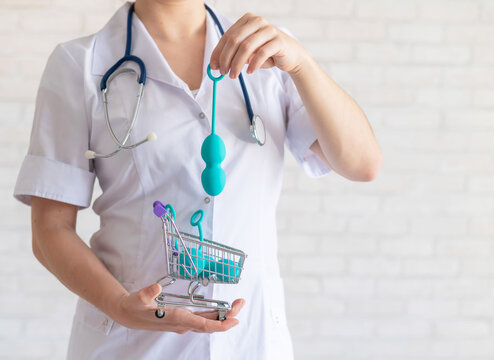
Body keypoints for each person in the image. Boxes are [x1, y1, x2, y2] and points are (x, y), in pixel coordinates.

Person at [13, 0, 382, 359]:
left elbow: (362, 164)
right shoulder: (81, 63)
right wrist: (120, 306)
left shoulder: (270, 51)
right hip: (131, 346)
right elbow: (51, 230)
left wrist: (302, 66)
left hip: (251, 340)